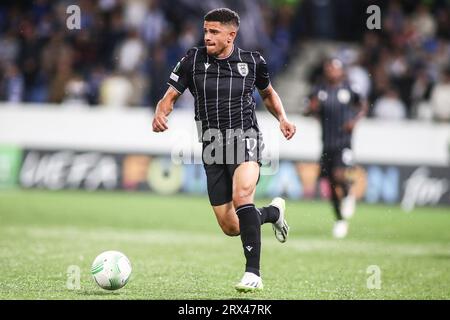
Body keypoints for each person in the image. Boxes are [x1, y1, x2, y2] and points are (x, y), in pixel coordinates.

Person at [152, 8, 296, 292]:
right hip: (212, 147)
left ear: (231, 35)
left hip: (246, 138)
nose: (207, 36)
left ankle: (252, 273)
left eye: (214, 32)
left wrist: (282, 118)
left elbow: (268, 93)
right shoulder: (192, 60)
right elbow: (169, 95)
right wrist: (161, 113)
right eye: (206, 31)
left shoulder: (253, 62)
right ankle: (273, 214)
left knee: (242, 196)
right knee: (231, 226)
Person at [304, 58, 367, 239]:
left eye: (334, 68)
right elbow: (308, 109)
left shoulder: (349, 88)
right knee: (330, 183)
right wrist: (311, 109)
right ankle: (340, 220)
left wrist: (354, 121)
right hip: (326, 143)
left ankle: (348, 195)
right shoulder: (319, 89)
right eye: (328, 68)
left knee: (340, 175)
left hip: (344, 142)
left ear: (341, 71)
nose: (331, 71)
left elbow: (363, 105)